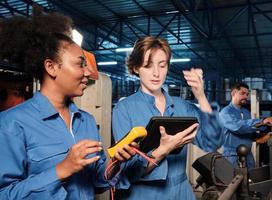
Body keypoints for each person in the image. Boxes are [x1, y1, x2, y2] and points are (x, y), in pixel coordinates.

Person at [0, 13, 137, 199]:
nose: (88, 72)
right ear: (51, 67)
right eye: (81, 64)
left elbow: (98, 181)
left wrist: (116, 162)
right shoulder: (12, 123)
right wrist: (61, 170)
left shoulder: (86, 121)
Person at [112, 36, 223, 199]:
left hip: (181, 193)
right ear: (136, 68)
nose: (156, 73)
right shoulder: (124, 109)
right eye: (148, 66)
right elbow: (128, 170)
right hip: (144, 194)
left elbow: (212, 141)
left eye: (162, 65)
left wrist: (200, 96)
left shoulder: (182, 106)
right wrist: (163, 150)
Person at [219, 82, 272, 170]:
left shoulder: (246, 112)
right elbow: (238, 127)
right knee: (234, 182)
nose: (246, 97)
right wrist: (262, 121)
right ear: (233, 93)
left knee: (251, 181)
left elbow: (248, 131)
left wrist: (266, 135)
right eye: (242, 93)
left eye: (247, 94)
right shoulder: (225, 112)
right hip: (232, 156)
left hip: (248, 156)